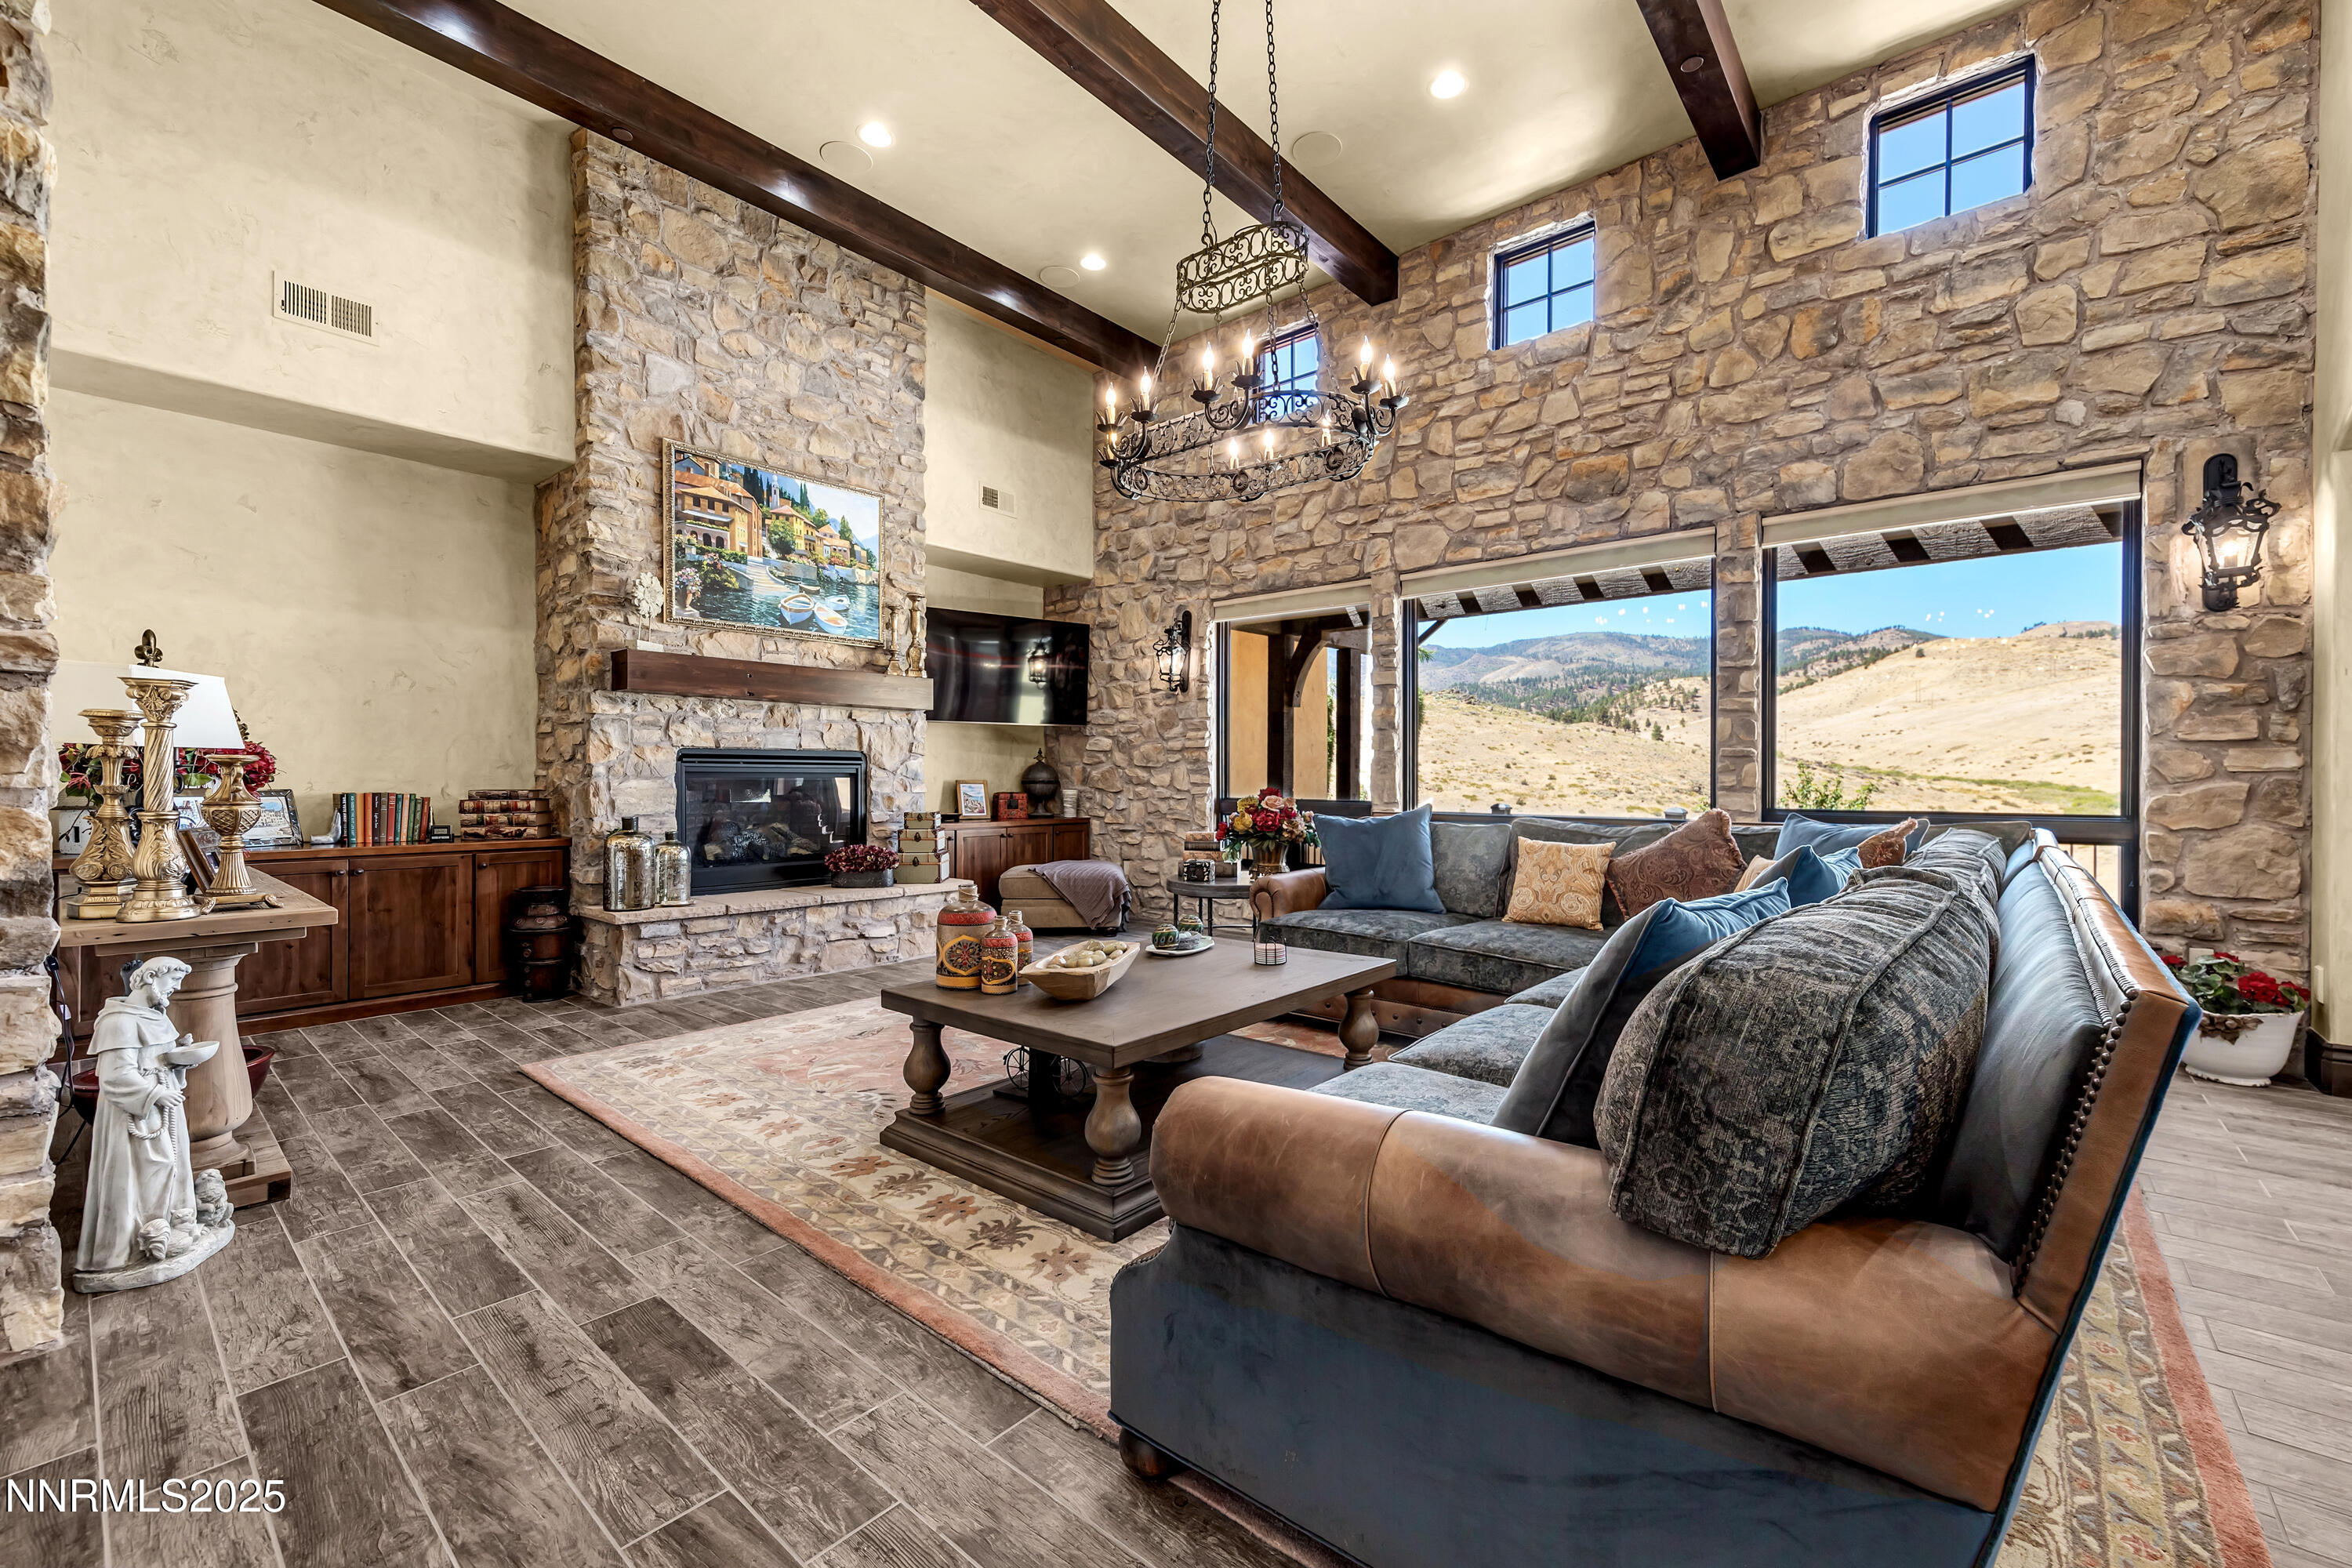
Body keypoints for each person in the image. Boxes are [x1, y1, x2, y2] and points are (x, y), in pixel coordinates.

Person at [74, 956, 232, 1288]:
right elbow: (116, 1077)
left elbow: (156, 1059)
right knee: (142, 1174)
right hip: (137, 1116)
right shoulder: (119, 1022)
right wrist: (155, 1093)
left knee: (170, 1167)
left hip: (162, 1108)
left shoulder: (153, 1016)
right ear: (147, 979)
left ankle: (174, 1226)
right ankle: (128, 1248)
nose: (175, 989)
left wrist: (177, 1059)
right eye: (172, 982)